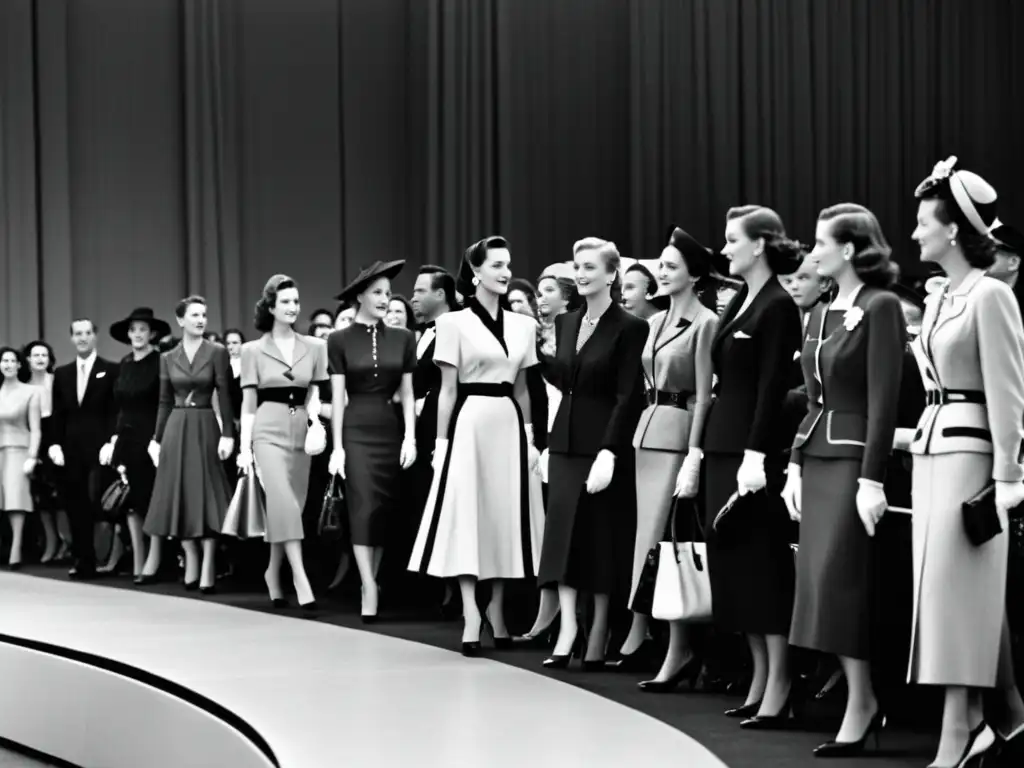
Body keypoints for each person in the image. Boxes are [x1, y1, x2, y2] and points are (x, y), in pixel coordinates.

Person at [904, 158, 1024, 767]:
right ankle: (983, 719)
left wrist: (1009, 476)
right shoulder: (943, 295)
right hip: (932, 449)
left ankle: (961, 729)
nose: (916, 231)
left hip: (971, 456)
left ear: (953, 230)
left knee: (958, 595)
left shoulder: (991, 295)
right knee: (941, 594)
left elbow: (1008, 392)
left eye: (925, 221)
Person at [780, 204, 904, 755]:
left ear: (850, 249)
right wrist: (794, 462)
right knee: (818, 586)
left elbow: (883, 404)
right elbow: (811, 399)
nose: (812, 251)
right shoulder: (822, 313)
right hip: (819, 457)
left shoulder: (881, 307)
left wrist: (873, 479)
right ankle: (859, 698)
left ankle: (864, 701)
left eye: (821, 242)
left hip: (856, 464)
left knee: (843, 584)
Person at [408, 236, 545, 656]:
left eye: (508, 264)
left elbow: (523, 389)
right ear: (476, 271)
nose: (505, 272)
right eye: (497, 264)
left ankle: (497, 610)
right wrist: (442, 443)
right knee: (468, 516)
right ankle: (471, 611)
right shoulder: (452, 324)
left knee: (503, 518)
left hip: (508, 425)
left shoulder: (525, 325)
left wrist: (529, 437)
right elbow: (447, 391)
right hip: (467, 426)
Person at [700, 206, 803, 727]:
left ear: (760, 244)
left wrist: (757, 455)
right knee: (734, 570)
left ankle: (780, 682)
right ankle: (760, 675)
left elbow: (771, 388)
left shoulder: (779, 305)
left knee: (761, 568)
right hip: (724, 444)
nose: (724, 249)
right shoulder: (742, 299)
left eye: (732, 240)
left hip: (749, 451)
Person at [537, 237, 649, 669]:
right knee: (562, 538)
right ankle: (567, 631)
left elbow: (628, 396)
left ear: (611, 274)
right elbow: (565, 379)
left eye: (589, 267)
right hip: (564, 440)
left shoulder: (630, 327)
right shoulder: (566, 322)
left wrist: (610, 450)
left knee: (600, 539)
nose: (581, 274)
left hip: (602, 443)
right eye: (577, 266)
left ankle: (599, 631)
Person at [613, 227, 719, 687]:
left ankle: (675, 647)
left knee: (669, 544)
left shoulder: (707, 323)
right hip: (647, 434)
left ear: (694, 276)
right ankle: (649, 637)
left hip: (678, 436)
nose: (662, 271)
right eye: (661, 264)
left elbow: (702, 397)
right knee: (646, 542)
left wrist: (695, 454)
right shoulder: (653, 324)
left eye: (671, 266)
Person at [328, 260, 418, 621]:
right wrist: (336, 447)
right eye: (378, 293)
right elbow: (336, 398)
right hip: (355, 430)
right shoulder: (338, 340)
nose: (385, 299)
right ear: (360, 296)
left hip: (389, 428)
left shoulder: (404, 338)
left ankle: (373, 579)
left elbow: (408, 394)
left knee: (381, 510)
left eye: (388, 294)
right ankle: (367, 585)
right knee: (362, 507)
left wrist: (410, 437)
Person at [238, 275, 328, 612]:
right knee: (284, 503)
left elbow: (317, 392)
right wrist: (244, 449)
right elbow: (248, 404)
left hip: (301, 432)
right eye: (286, 301)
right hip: (267, 430)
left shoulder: (316, 347)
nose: (293, 307)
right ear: (271, 306)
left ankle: (272, 573)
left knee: (289, 508)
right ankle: (300, 580)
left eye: (296, 301)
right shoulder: (252, 350)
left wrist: (315, 420)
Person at [142, 296, 235, 592]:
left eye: (204, 314)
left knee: (206, 495)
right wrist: (156, 439)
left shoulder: (217, 352)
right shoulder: (167, 357)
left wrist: (228, 434)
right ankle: (191, 557)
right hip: (176, 427)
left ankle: (208, 562)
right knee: (177, 496)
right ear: (180, 320)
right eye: (194, 315)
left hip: (206, 424)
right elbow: (164, 401)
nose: (200, 319)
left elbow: (226, 393)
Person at [99, 308, 169, 578]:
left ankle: (156, 559)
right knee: (128, 502)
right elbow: (120, 406)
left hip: (150, 439)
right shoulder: (125, 363)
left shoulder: (161, 361)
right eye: (133, 329)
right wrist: (113, 438)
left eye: (143, 329)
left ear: (152, 333)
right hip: (126, 438)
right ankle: (139, 561)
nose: (137, 334)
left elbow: (165, 403)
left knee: (150, 499)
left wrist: (158, 438)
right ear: (127, 335)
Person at [48, 319, 119, 579]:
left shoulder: (111, 370)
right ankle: (82, 559)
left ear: (95, 336)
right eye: (78, 334)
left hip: (100, 448)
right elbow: (58, 413)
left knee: (98, 504)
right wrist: (54, 443)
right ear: (71, 338)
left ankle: (106, 556)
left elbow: (115, 411)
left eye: (88, 333)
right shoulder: (63, 373)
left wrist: (112, 440)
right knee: (75, 505)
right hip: (71, 449)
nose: (83, 338)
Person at [0, 346, 41, 569]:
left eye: (11, 360)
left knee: (16, 501)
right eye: (3, 361)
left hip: (19, 450)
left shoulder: (30, 391)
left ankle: (16, 549)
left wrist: (32, 456)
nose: (7, 364)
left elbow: (36, 429)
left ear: (18, 365)